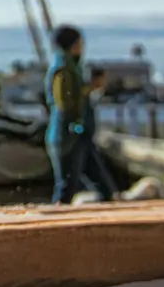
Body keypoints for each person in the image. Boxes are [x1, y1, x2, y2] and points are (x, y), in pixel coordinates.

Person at [45, 25, 89, 204]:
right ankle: (58, 214)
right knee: (65, 185)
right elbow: (64, 103)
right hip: (64, 135)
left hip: (68, 133)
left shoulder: (69, 66)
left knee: (71, 183)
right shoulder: (63, 69)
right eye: (80, 43)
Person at [78, 66, 119, 200]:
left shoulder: (90, 97)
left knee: (93, 172)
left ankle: (108, 194)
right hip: (82, 139)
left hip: (87, 139)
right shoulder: (84, 96)